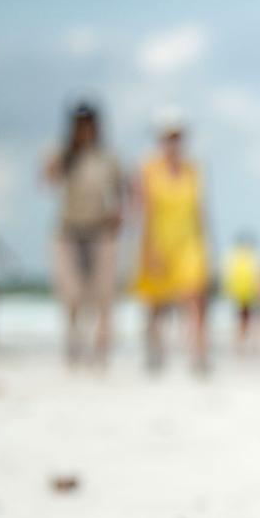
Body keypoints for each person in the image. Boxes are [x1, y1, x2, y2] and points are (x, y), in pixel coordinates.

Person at [44, 101, 127, 369]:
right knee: (72, 294)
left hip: (101, 232)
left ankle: (101, 351)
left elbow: (125, 188)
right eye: (80, 124)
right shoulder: (65, 155)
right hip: (69, 231)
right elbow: (47, 177)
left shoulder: (107, 158)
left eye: (89, 123)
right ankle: (74, 343)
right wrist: (65, 153)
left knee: (104, 296)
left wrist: (120, 213)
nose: (85, 129)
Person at [134, 111, 211, 373]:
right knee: (156, 303)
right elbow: (144, 211)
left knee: (195, 299)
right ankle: (155, 351)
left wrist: (206, 245)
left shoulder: (193, 169)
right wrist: (148, 249)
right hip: (158, 242)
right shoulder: (148, 169)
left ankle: (198, 355)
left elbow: (200, 210)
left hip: (189, 243)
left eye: (177, 137)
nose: (173, 143)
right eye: (168, 137)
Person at [222, 233, 260, 352]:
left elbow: (228, 273)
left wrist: (228, 289)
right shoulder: (252, 255)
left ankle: (243, 341)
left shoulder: (234, 254)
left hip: (240, 289)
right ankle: (249, 341)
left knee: (243, 316)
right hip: (249, 289)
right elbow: (258, 271)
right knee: (252, 316)